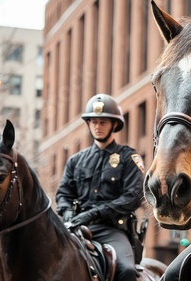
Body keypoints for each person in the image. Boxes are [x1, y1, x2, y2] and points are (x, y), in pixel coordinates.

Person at [56, 93, 145, 281]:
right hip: (75, 226)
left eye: (103, 122)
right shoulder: (76, 160)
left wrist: (95, 213)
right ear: (88, 124)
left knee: (126, 270)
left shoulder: (128, 158)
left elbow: (133, 197)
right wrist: (67, 213)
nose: (98, 127)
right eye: (94, 122)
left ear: (114, 125)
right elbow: (63, 193)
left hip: (111, 230)